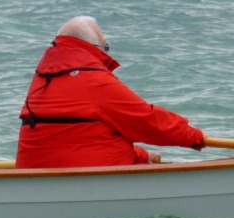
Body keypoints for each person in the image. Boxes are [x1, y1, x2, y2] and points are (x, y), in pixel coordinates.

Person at [16, 16, 205, 168]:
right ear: (93, 47)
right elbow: (146, 120)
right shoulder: (93, 81)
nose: (108, 54)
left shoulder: (42, 79)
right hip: (83, 180)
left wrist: (141, 155)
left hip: (36, 176)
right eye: (106, 47)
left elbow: (77, 137)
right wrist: (195, 137)